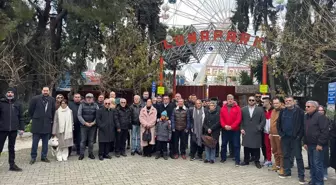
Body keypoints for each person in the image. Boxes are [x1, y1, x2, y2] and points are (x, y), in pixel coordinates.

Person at [277, 96, 305, 184]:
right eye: (286, 101)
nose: (288, 102)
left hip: (295, 138)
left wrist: (299, 136)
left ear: (294, 102)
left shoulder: (299, 112)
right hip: (285, 137)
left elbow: (303, 125)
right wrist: (281, 134)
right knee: (286, 155)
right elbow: (278, 124)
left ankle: (301, 176)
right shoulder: (282, 111)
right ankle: (287, 172)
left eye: (290, 100)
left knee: (298, 157)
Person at [304, 102, 329, 185]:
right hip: (309, 144)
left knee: (317, 164)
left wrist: (320, 144)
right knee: (312, 165)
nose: (306, 108)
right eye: (306, 106)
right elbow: (306, 130)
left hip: (317, 145)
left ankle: (319, 182)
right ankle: (313, 181)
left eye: (308, 106)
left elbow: (324, 132)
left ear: (315, 107)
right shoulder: (306, 116)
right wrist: (305, 142)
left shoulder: (320, 117)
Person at [29, 86, 56, 164]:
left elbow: (53, 111)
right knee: (35, 143)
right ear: (42, 91)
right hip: (37, 123)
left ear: (49, 92)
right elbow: (31, 110)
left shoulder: (52, 99)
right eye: (44, 90)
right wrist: (34, 117)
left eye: (47, 90)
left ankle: (44, 157)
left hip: (47, 124)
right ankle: (33, 157)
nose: (45, 92)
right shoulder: (35, 99)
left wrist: (51, 119)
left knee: (45, 143)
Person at [0, 88, 24, 171]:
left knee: (11, 147)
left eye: (11, 92)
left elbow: (21, 117)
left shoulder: (18, 104)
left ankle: (12, 165)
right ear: (6, 94)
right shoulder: (1, 103)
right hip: (2, 129)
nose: (10, 94)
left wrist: (21, 128)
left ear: (14, 94)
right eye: (8, 92)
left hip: (13, 130)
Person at [240, 96, 266, 169]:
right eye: (250, 100)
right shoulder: (243, 109)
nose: (251, 101)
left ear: (255, 101)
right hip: (246, 130)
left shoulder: (260, 110)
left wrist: (259, 127)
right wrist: (241, 128)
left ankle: (257, 161)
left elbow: (263, 120)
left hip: (256, 131)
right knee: (246, 146)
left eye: (253, 100)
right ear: (248, 101)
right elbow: (240, 120)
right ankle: (246, 160)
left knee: (256, 147)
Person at [220, 94, 242, 166]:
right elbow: (221, 119)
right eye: (228, 99)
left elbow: (238, 119)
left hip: (235, 130)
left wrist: (232, 126)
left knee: (236, 145)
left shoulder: (238, 108)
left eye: (231, 99)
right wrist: (224, 126)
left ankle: (237, 160)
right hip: (225, 129)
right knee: (223, 144)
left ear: (233, 100)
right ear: (227, 100)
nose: (230, 100)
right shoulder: (223, 108)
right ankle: (223, 158)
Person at [77, 93, 99, 160]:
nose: (89, 99)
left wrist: (93, 123)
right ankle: (81, 154)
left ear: (93, 98)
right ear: (85, 98)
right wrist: (84, 123)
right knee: (83, 140)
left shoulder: (95, 105)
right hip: (84, 126)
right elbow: (79, 115)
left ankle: (90, 154)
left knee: (91, 141)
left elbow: (98, 115)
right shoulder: (82, 105)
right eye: (88, 97)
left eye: (90, 97)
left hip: (93, 126)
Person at [269, 98, 285, 174]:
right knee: (274, 150)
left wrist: (282, 134)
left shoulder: (284, 111)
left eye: (277, 103)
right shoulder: (273, 111)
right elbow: (271, 122)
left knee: (280, 151)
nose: (275, 104)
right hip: (272, 134)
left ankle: (282, 167)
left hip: (279, 134)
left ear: (280, 103)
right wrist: (270, 133)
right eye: (274, 103)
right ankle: (277, 165)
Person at [317, 105, 330, 181]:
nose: (320, 112)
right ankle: (318, 174)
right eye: (319, 110)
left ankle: (325, 173)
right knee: (317, 159)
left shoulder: (327, 119)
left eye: (322, 110)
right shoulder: (315, 119)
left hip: (325, 142)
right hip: (316, 142)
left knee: (324, 159)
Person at [263, 97, 273, 167]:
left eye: (264, 102)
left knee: (276, 148)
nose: (262, 103)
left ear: (268, 102)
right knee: (267, 147)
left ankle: (279, 162)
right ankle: (269, 160)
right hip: (265, 132)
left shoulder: (273, 111)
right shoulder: (263, 111)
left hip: (273, 133)